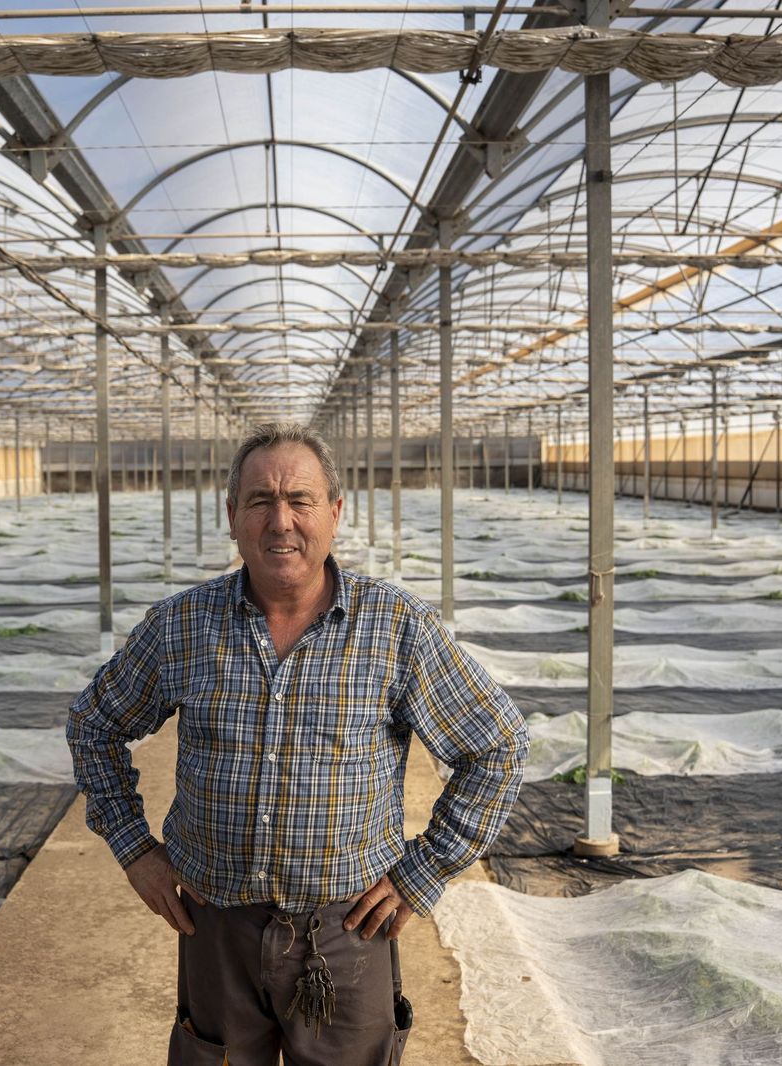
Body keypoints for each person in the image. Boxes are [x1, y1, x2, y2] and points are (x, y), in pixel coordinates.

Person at [68, 422, 527, 1066]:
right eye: (260, 501)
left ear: (334, 514)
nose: (280, 521)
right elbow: (94, 724)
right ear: (232, 517)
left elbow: (498, 746)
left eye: (300, 500)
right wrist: (134, 848)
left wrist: (424, 871)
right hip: (216, 925)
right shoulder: (182, 627)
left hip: (346, 931)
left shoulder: (396, 628)